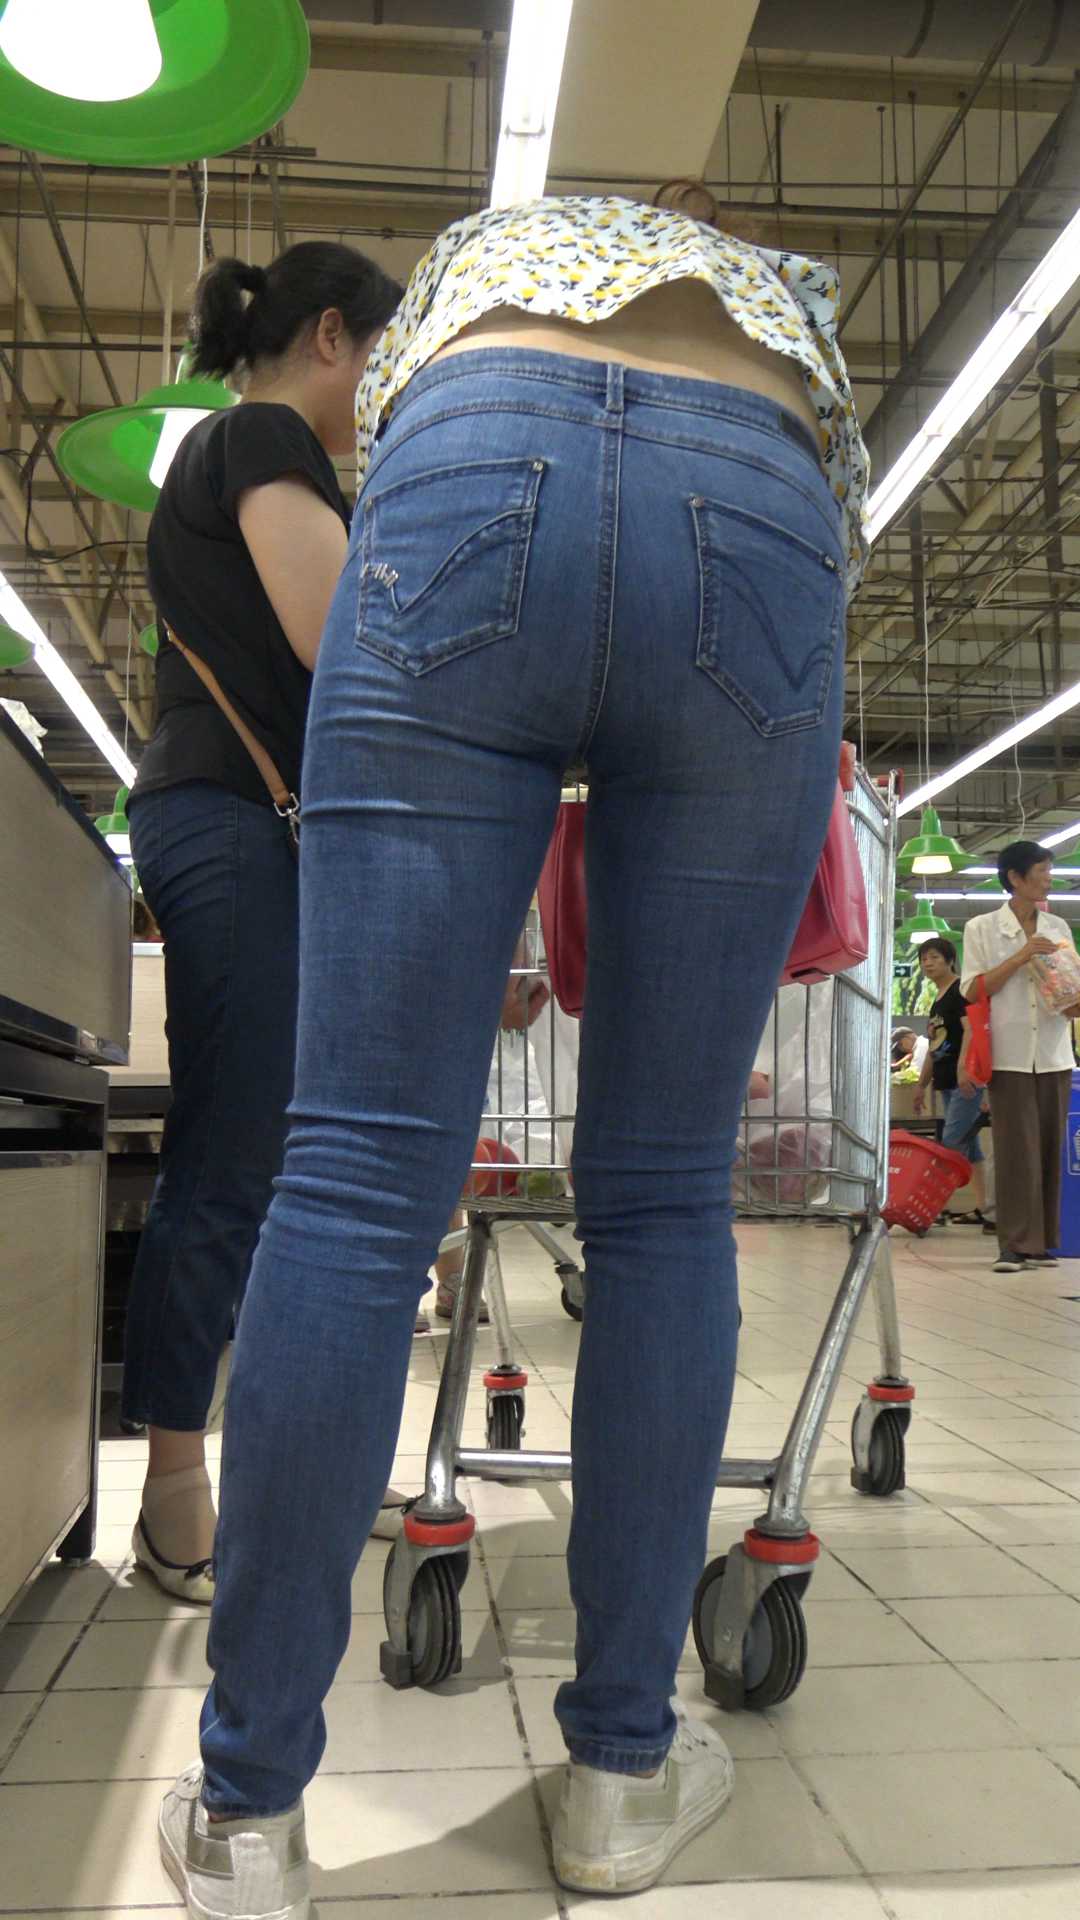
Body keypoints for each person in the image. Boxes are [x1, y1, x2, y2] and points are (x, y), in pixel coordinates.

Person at [158, 181, 868, 1914]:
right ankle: (620, 1776)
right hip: (761, 504)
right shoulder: (771, 292)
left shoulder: (486, 269)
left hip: (470, 458)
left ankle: (248, 1817)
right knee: (662, 1200)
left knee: (350, 1187)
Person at [123, 242, 402, 1601]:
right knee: (235, 1153)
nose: (383, 394)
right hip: (231, 820)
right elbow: (335, 631)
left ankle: (289, 1464)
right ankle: (176, 1491)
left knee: (285, 1163)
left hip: (249, 822)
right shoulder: (260, 436)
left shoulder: (257, 451)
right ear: (331, 335)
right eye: (382, 362)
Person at [961, 841, 1080, 1274]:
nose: (1049, 878)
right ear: (1015, 877)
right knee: (1015, 1150)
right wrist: (1021, 956)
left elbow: (1068, 990)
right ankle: (1012, 1244)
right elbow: (973, 990)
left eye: (1049, 870)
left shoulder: (1058, 926)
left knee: (1049, 1147)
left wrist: (1074, 999)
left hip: (1052, 1052)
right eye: (1042, 870)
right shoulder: (981, 928)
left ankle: (1041, 1243)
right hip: (1008, 1054)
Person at [913, 936, 988, 1220]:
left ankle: (930, 1207)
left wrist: (963, 1068)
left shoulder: (959, 990)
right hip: (946, 1081)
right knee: (970, 1148)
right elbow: (934, 1047)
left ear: (950, 960)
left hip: (965, 1081)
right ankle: (985, 1208)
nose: (928, 963)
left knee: (951, 1145)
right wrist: (921, 1085)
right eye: (924, 959)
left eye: (934, 957)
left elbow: (972, 1029)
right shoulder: (937, 1001)